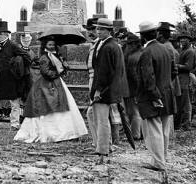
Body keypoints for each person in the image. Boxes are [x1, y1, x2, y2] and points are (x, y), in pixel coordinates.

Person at [15, 37, 87, 143]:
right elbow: (45, 72)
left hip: (57, 83)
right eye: (49, 45)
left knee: (63, 105)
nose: (51, 46)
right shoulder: (44, 57)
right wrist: (58, 73)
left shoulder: (55, 56)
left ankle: (66, 132)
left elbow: (59, 69)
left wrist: (64, 65)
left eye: (53, 44)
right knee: (49, 106)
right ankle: (50, 132)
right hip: (47, 84)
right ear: (45, 46)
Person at [136, 21, 176, 171]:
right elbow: (174, 71)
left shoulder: (147, 52)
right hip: (167, 93)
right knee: (165, 129)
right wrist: (164, 87)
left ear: (143, 36)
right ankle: (162, 158)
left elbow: (148, 77)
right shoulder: (166, 49)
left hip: (152, 95)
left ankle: (158, 162)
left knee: (153, 129)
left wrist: (154, 95)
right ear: (156, 33)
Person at [89, 18, 127, 155]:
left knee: (101, 119)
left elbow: (104, 71)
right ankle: (106, 145)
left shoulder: (108, 47)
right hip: (110, 88)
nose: (98, 32)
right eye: (97, 29)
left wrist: (98, 90)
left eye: (102, 29)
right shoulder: (110, 44)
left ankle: (103, 148)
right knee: (95, 115)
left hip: (105, 89)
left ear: (109, 31)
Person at [0, 21, 31, 130]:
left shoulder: (12, 45)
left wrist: (18, 67)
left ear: (6, 35)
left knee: (15, 102)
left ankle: (15, 124)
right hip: (0, 77)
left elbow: (26, 57)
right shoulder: (1, 46)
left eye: (0, 34)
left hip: (12, 78)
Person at [174, 33, 196, 131]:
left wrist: (176, 66)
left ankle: (186, 124)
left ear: (189, 40)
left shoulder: (190, 52)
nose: (183, 40)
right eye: (181, 39)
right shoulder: (182, 50)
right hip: (180, 78)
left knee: (186, 103)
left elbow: (188, 66)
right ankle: (179, 124)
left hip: (186, 78)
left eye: (185, 39)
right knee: (180, 102)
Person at [123, 32, 143, 140]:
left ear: (135, 44)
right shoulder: (141, 53)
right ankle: (140, 132)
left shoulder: (132, 57)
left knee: (133, 112)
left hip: (133, 88)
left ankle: (135, 134)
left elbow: (134, 75)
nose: (128, 46)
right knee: (137, 111)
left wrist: (137, 89)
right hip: (137, 87)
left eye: (130, 44)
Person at [83, 18, 99, 147]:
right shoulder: (93, 45)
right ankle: (99, 141)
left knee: (95, 112)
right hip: (92, 79)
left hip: (98, 82)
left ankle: (102, 142)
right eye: (88, 30)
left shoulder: (101, 45)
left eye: (93, 29)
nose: (90, 32)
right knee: (94, 113)